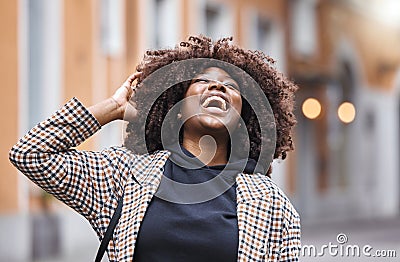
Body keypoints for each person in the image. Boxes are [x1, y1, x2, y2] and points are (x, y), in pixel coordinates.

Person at [9, 35, 300, 261]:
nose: (218, 87)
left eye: (230, 85)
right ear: (176, 109)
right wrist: (113, 108)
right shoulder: (124, 175)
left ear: (244, 118)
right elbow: (31, 154)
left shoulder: (271, 203)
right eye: (203, 81)